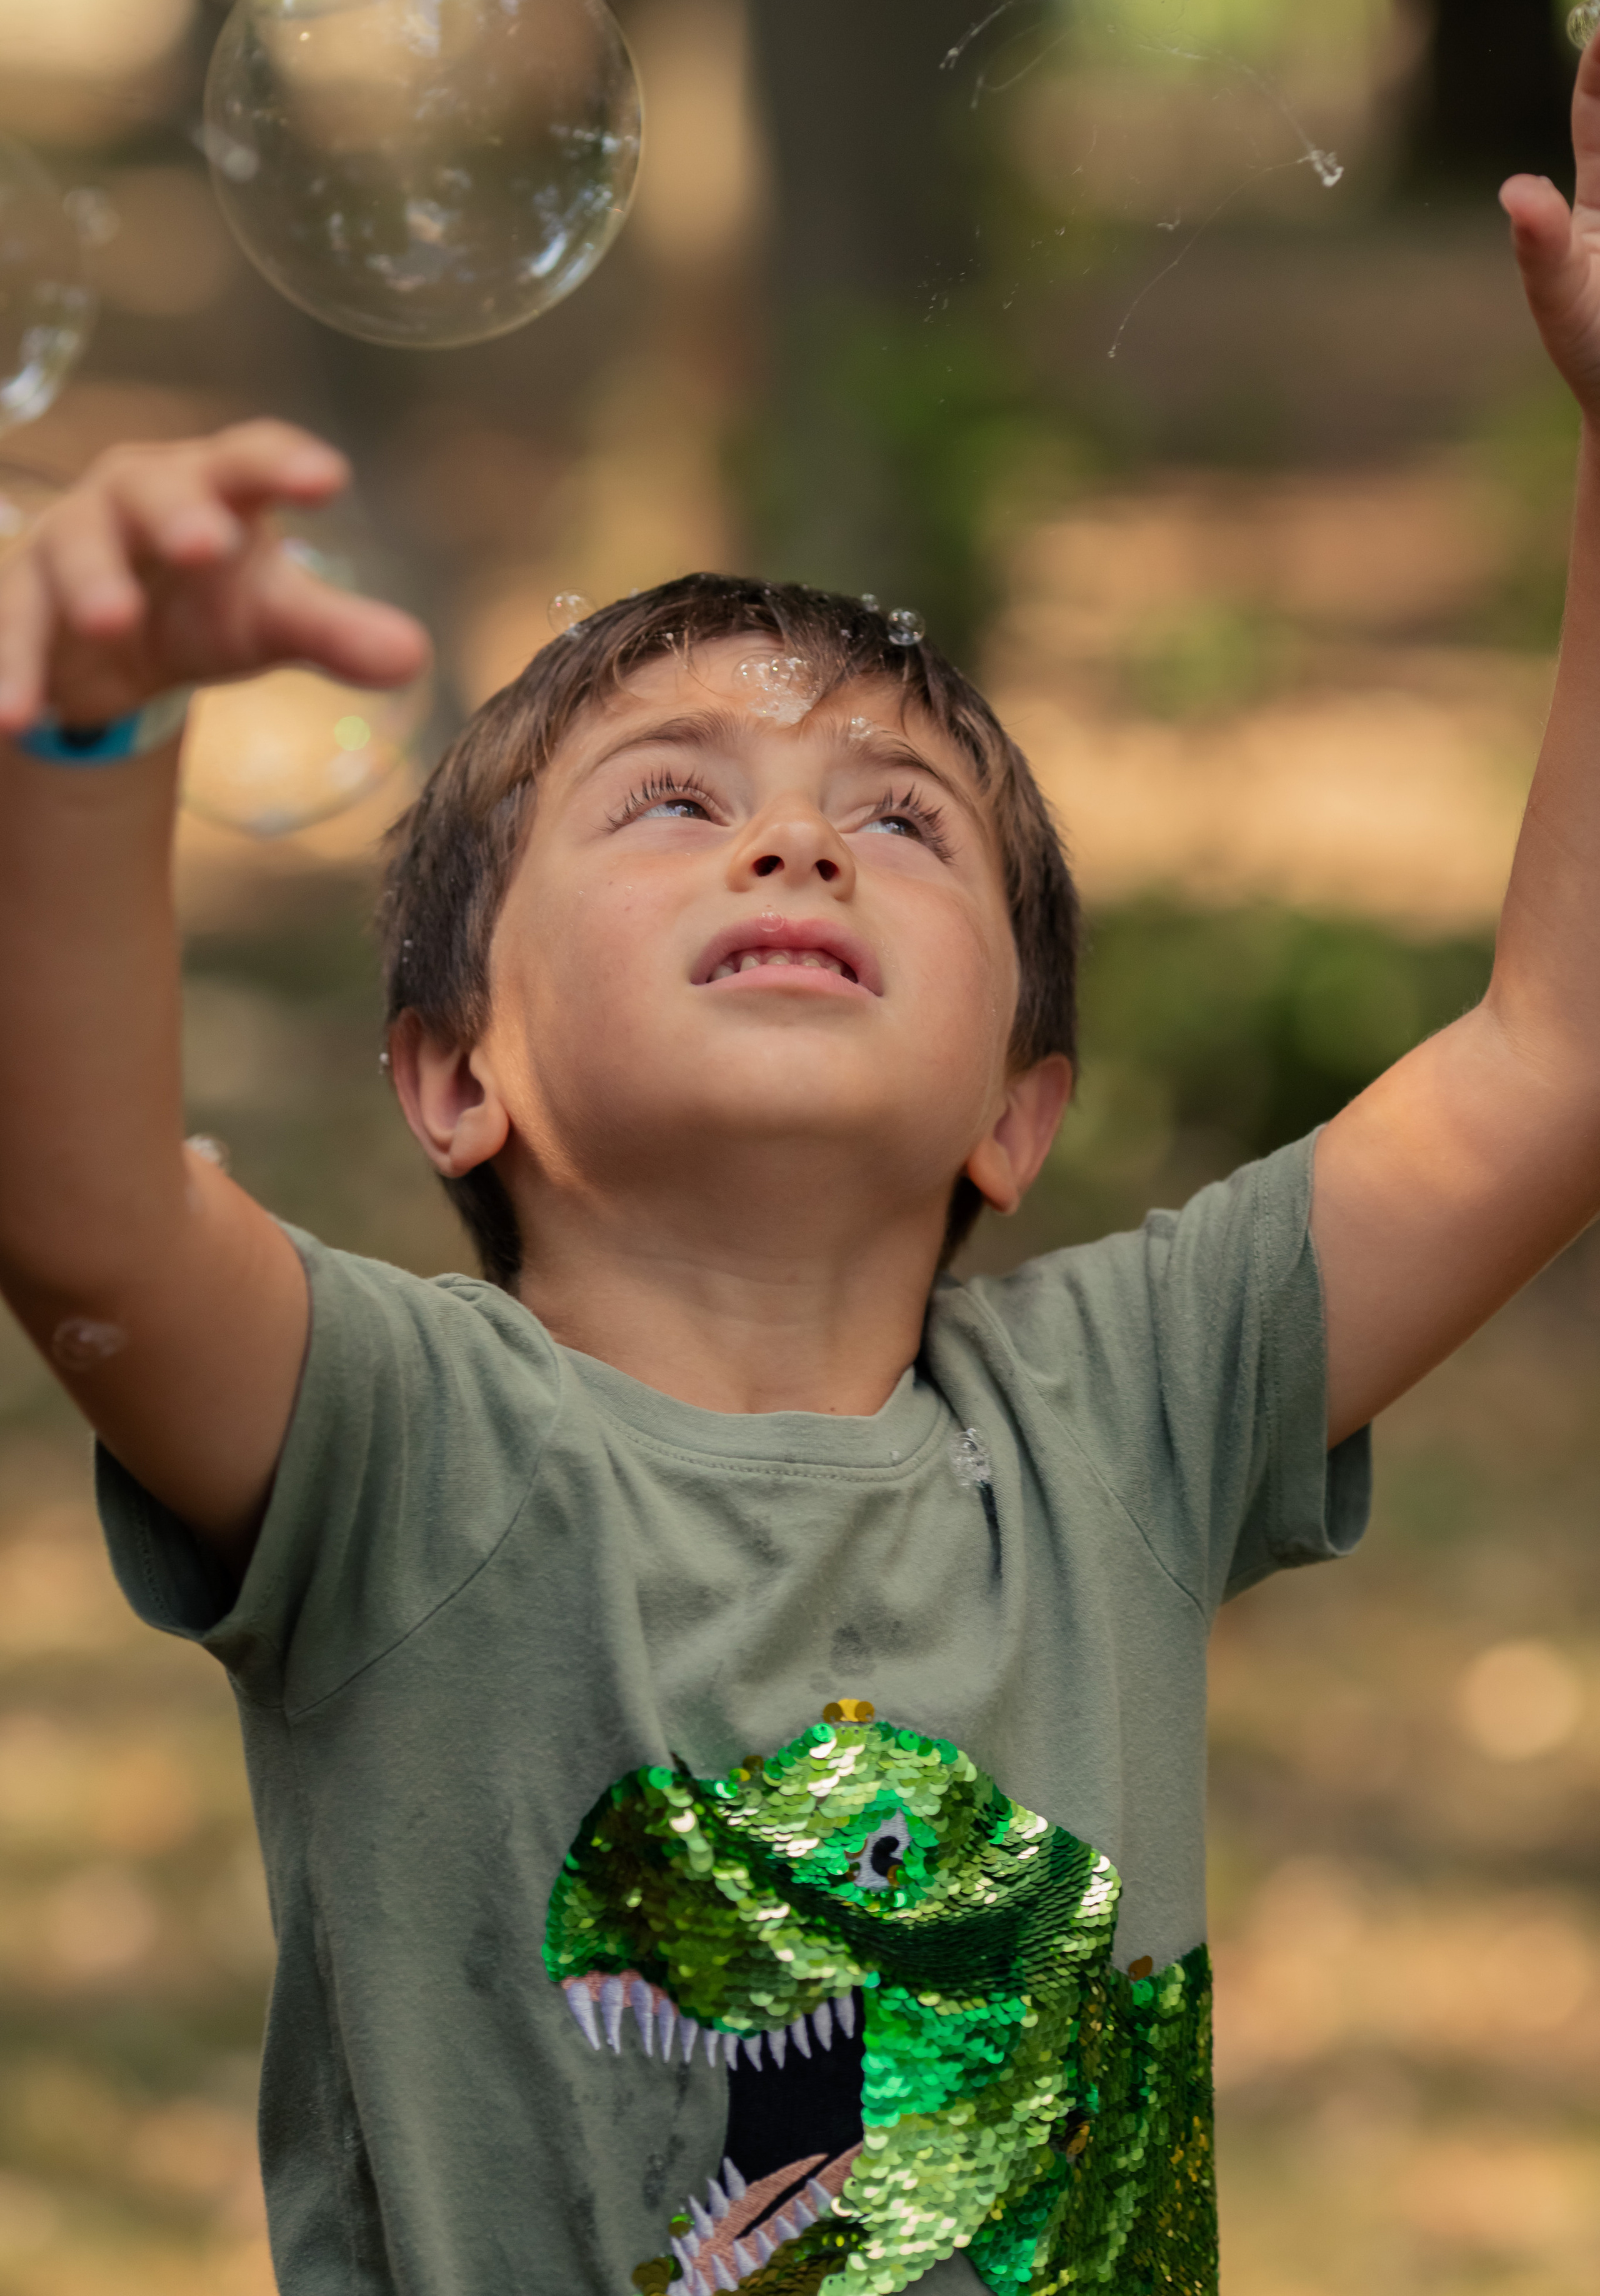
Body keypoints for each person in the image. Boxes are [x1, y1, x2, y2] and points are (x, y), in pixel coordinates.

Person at [1, 118, 1599, 2296]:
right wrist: (83, 748)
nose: (799, 844)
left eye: (904, 823)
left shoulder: (1124, 1419)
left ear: (1018, 1112)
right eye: (672, 797)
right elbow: (85, 1226)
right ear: (455, 1074)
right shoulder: (398, 1447)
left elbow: (1555, 1058)